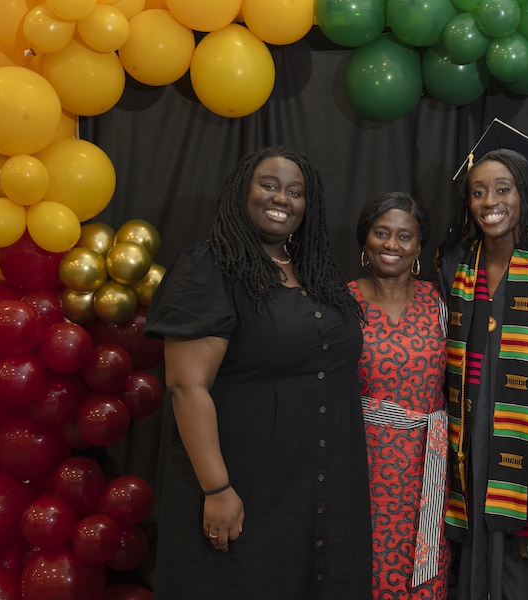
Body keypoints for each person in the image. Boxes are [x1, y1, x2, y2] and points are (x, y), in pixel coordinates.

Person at [144, 146, 371, 599]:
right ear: (241, 192)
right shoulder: (210, 267)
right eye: (268, 185)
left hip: (319, 488)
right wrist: (218, 488)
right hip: (245, 487)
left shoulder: (317, 274)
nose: (281, 198)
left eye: (295, 191)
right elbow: (187, 387)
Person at [437, 148, 528, 600]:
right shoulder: (453, 264)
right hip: (466, 426)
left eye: (503, 189)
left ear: (525, 195)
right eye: (478, 192)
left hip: (524, 430)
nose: (490, 201)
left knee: (520, 545)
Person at [349, 191, 451, 599]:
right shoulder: (341, 301)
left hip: (431, 463)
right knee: (365, 564)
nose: (392, 244)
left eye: (404, 236)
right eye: (382, 233)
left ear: (419, 246)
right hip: (363, 462)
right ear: (365, 239)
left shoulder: (440, 301)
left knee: (425, 569)